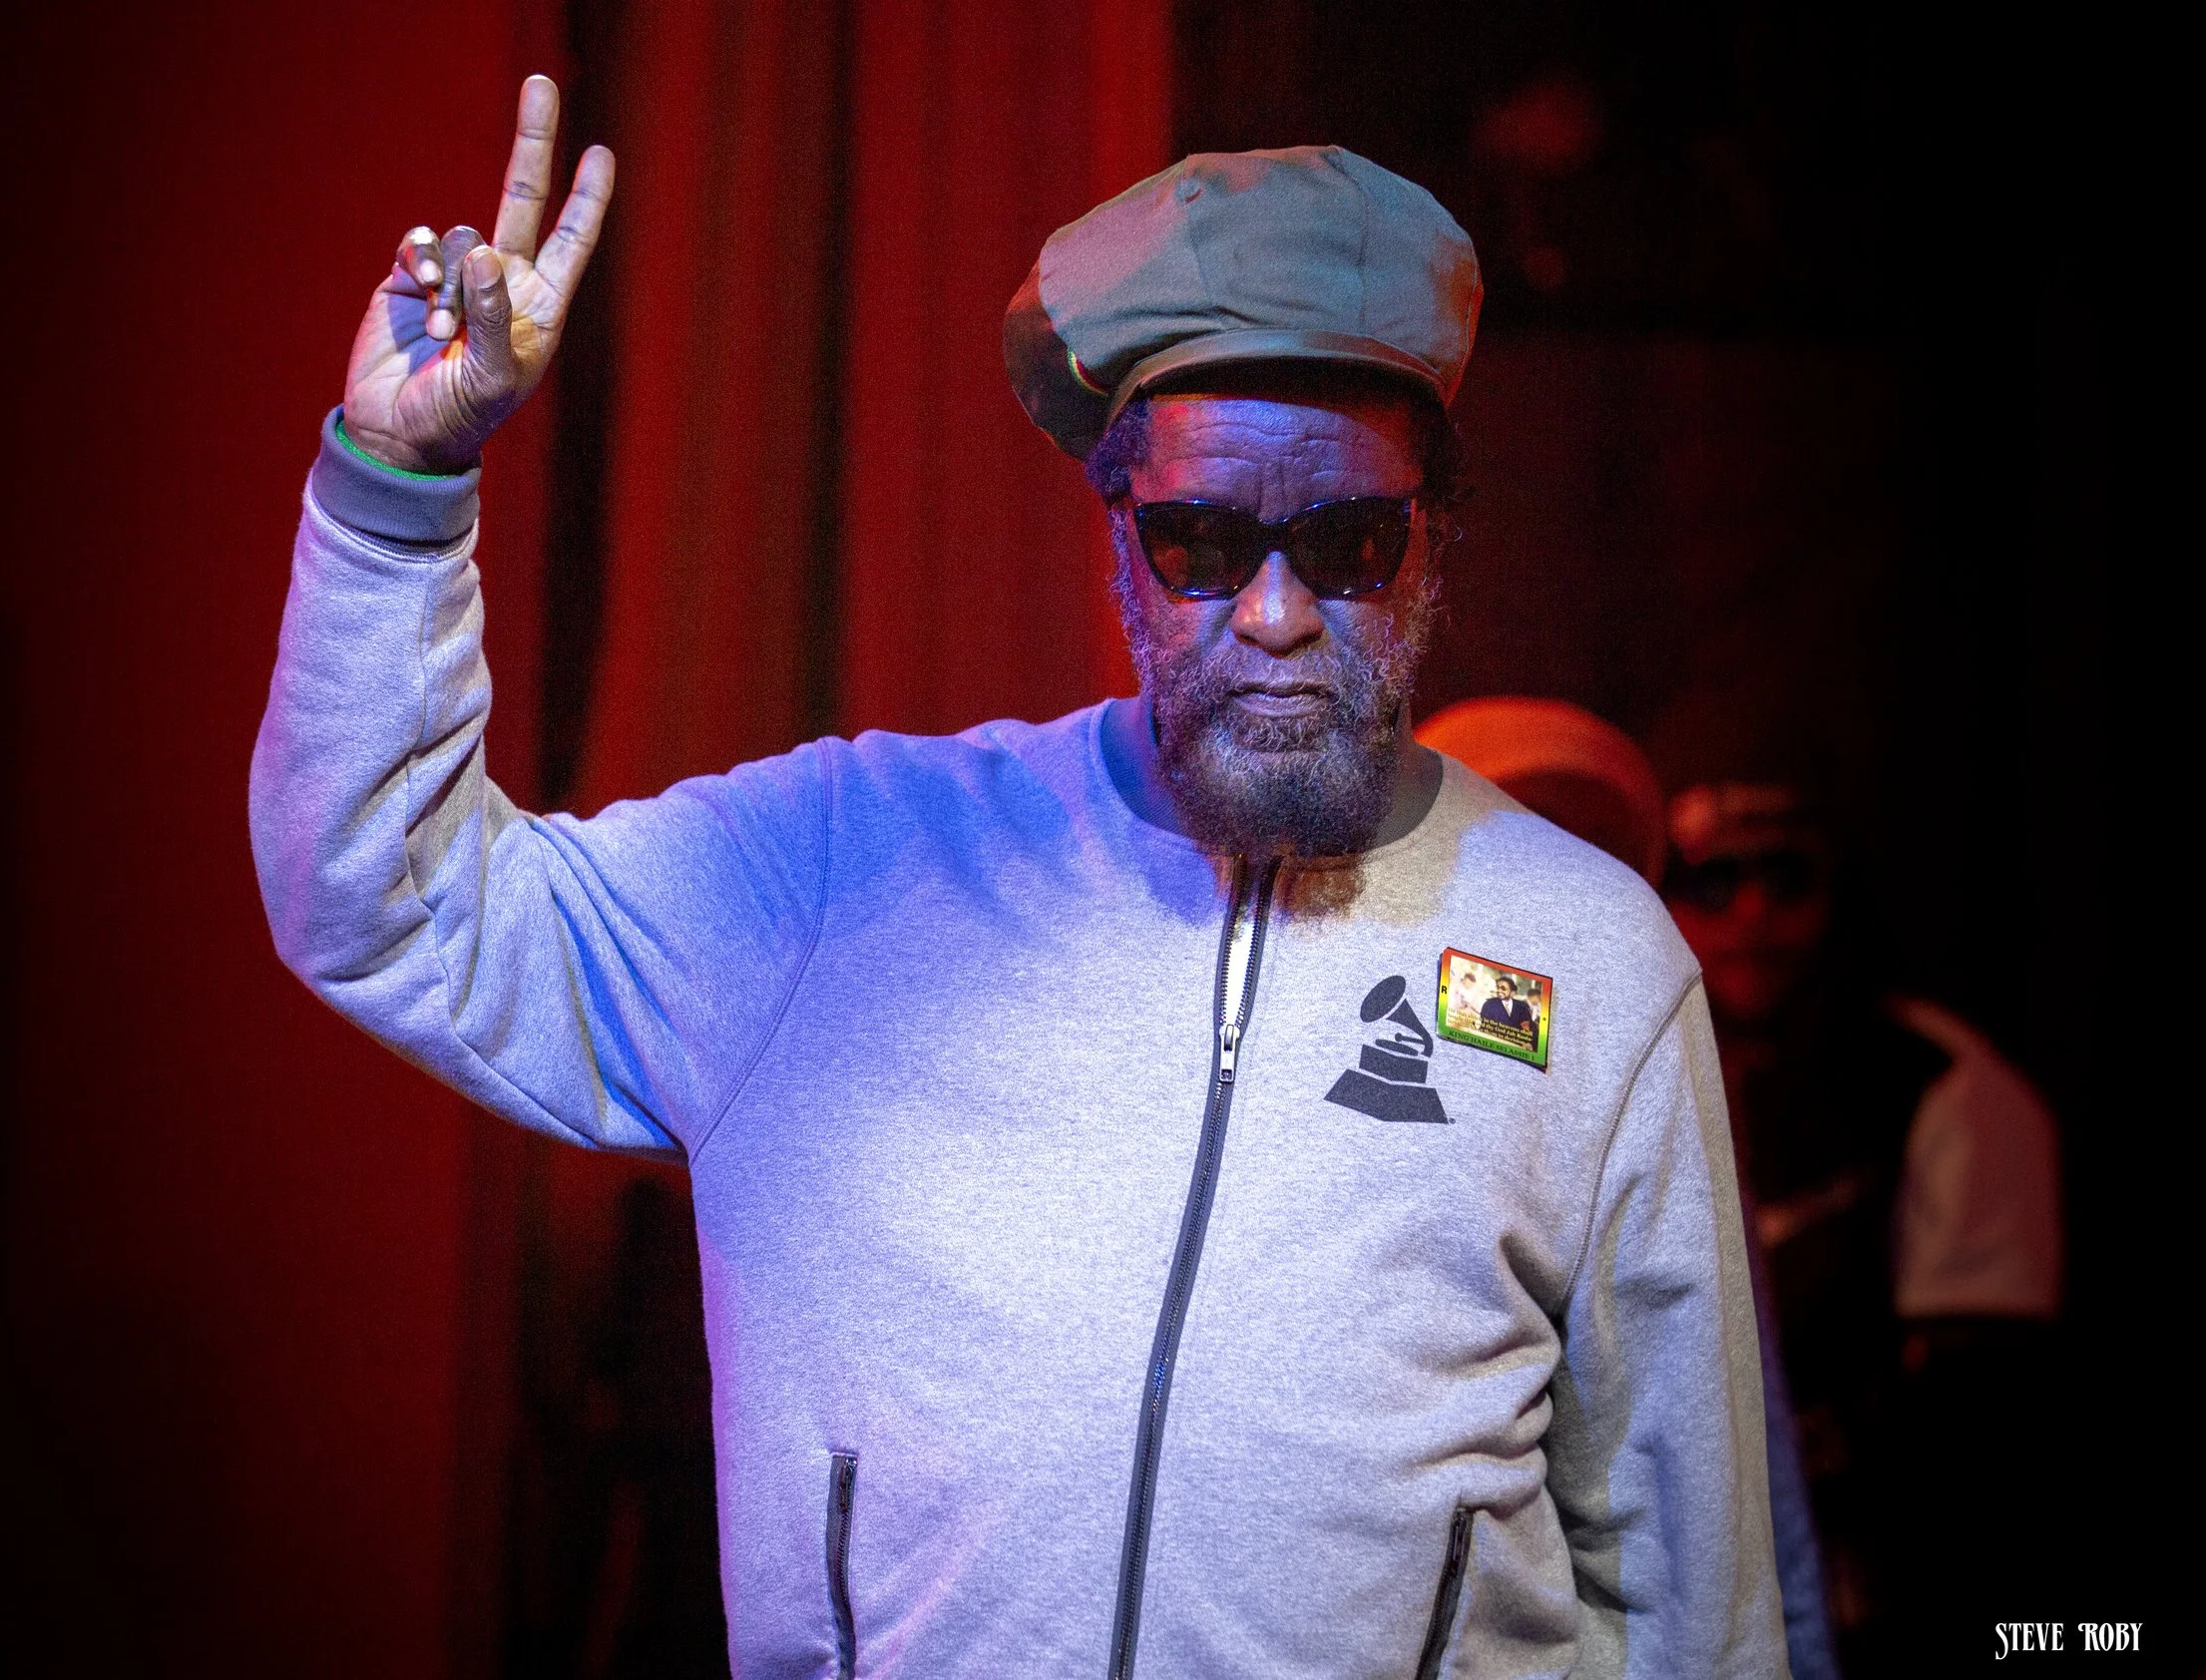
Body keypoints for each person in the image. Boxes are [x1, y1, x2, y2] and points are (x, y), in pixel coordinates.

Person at [252, 77, 1788, 1677]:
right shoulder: (843, 871)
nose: (1275, 616)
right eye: (1203, 543)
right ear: (1119, 537)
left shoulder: (1588, 957)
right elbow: (390, 901)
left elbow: (1697, 1603)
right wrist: (396, 493)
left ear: (1433, 543)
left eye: (1347, 544)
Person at [1423, 697, 1840, 1680]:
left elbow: (1738, 1435)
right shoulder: (1389, 1049)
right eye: (1497, 845)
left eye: (1575, 853)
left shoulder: (1635, 1046)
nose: (1542, 885)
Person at [1661, 781, 2060, 1670]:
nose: (1754, 912)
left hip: (1888, 1602)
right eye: (1713, 883)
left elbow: (1976, 1426)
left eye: (1787, 877)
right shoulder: (1619, 1069)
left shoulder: (1938, 1082)